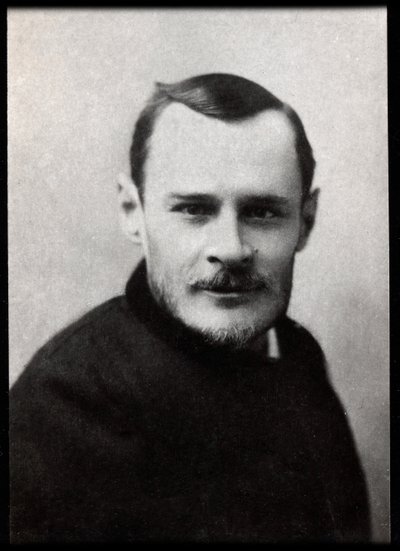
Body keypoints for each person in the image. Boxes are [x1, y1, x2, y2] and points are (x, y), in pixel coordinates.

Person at [10, 73, 371, 543]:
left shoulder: (296, 352)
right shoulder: (69, 402)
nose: (232, 248)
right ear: (132, 212)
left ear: (306, 221)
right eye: (193, 209)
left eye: (263, 212)